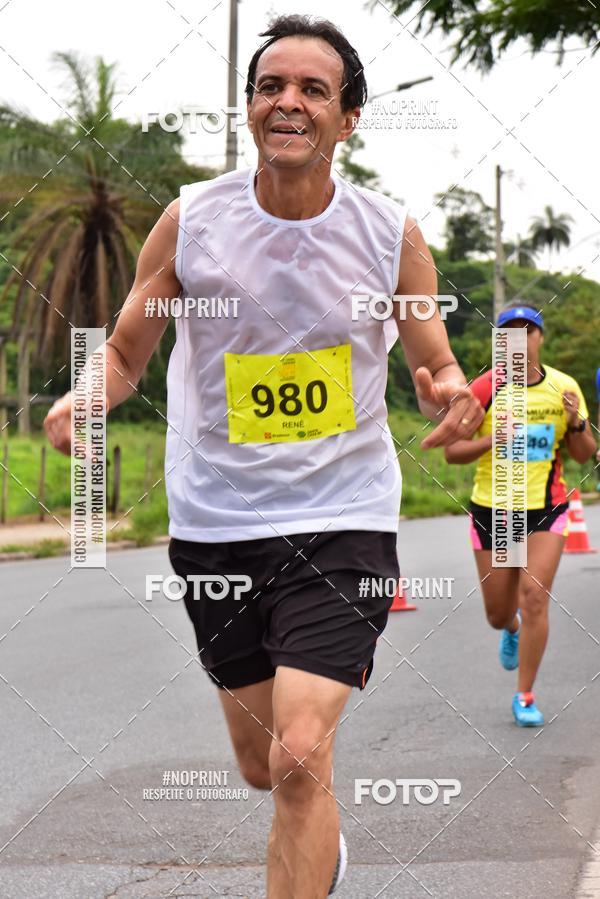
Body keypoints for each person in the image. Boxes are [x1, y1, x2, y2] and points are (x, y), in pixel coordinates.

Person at [44, 14, 484, 898]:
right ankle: (321, 834)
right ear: (250, 108)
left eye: (312, 89)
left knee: (297, 755)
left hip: (346, 517)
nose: (288, 102)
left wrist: (451, 394)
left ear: (348, 119)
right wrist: (86, 395)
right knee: (263, 763)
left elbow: (432, 359)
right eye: (270, 86)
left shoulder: (387, 231)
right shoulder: (193, 220)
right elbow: (129, 350)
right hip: (217, 524)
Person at [445, 302, 596, 727]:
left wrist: (577, 423)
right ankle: (510, 630)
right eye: (509, 330)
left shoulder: (564, 387)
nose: (519, 337)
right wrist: (491, 439)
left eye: (527, 330)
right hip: (493, 509)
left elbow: (585, 456)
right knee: (498, 612)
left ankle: (525, 696)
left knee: (534, 597)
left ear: (539, 338)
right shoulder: (483, 390)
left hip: (545, 509)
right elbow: (453, 451)